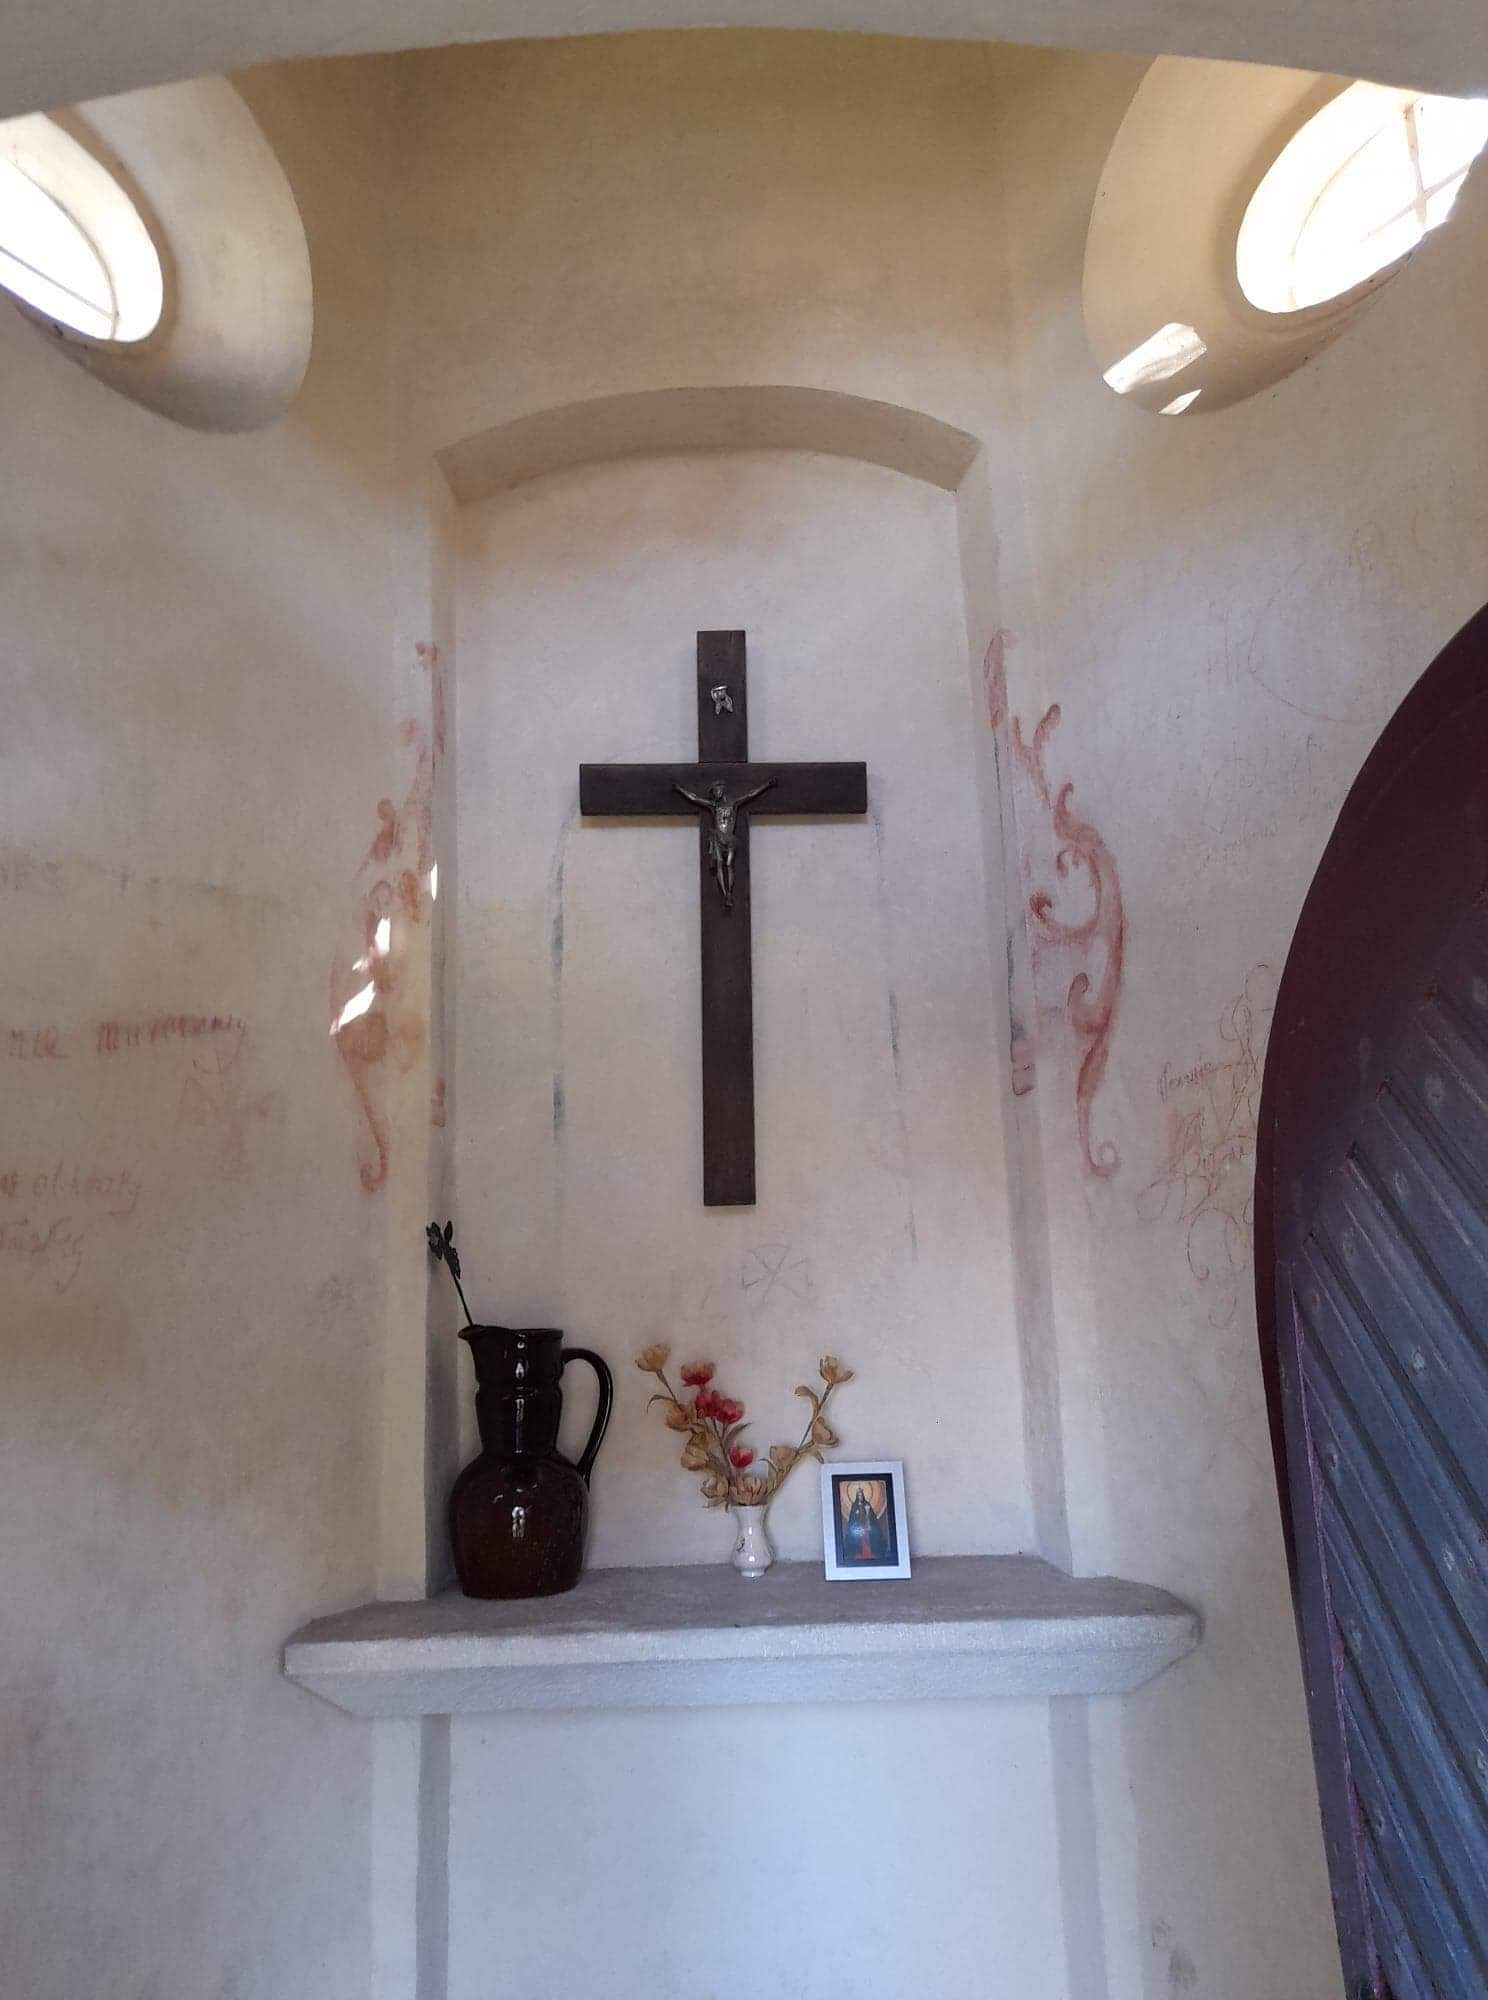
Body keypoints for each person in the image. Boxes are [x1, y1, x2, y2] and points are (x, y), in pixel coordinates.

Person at [672, 774, 775, 910]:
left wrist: (767, 785)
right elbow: (695, 798)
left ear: (721, 789)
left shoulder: (734, 803)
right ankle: (725, 894)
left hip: (730, 838)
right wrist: (679, 789)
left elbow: (751, 794)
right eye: (713, 792)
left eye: (716, 790)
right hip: (718, 837)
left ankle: (729, 893)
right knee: (720, 863)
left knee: (729, 864)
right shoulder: (713, 806)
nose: (715, 794)